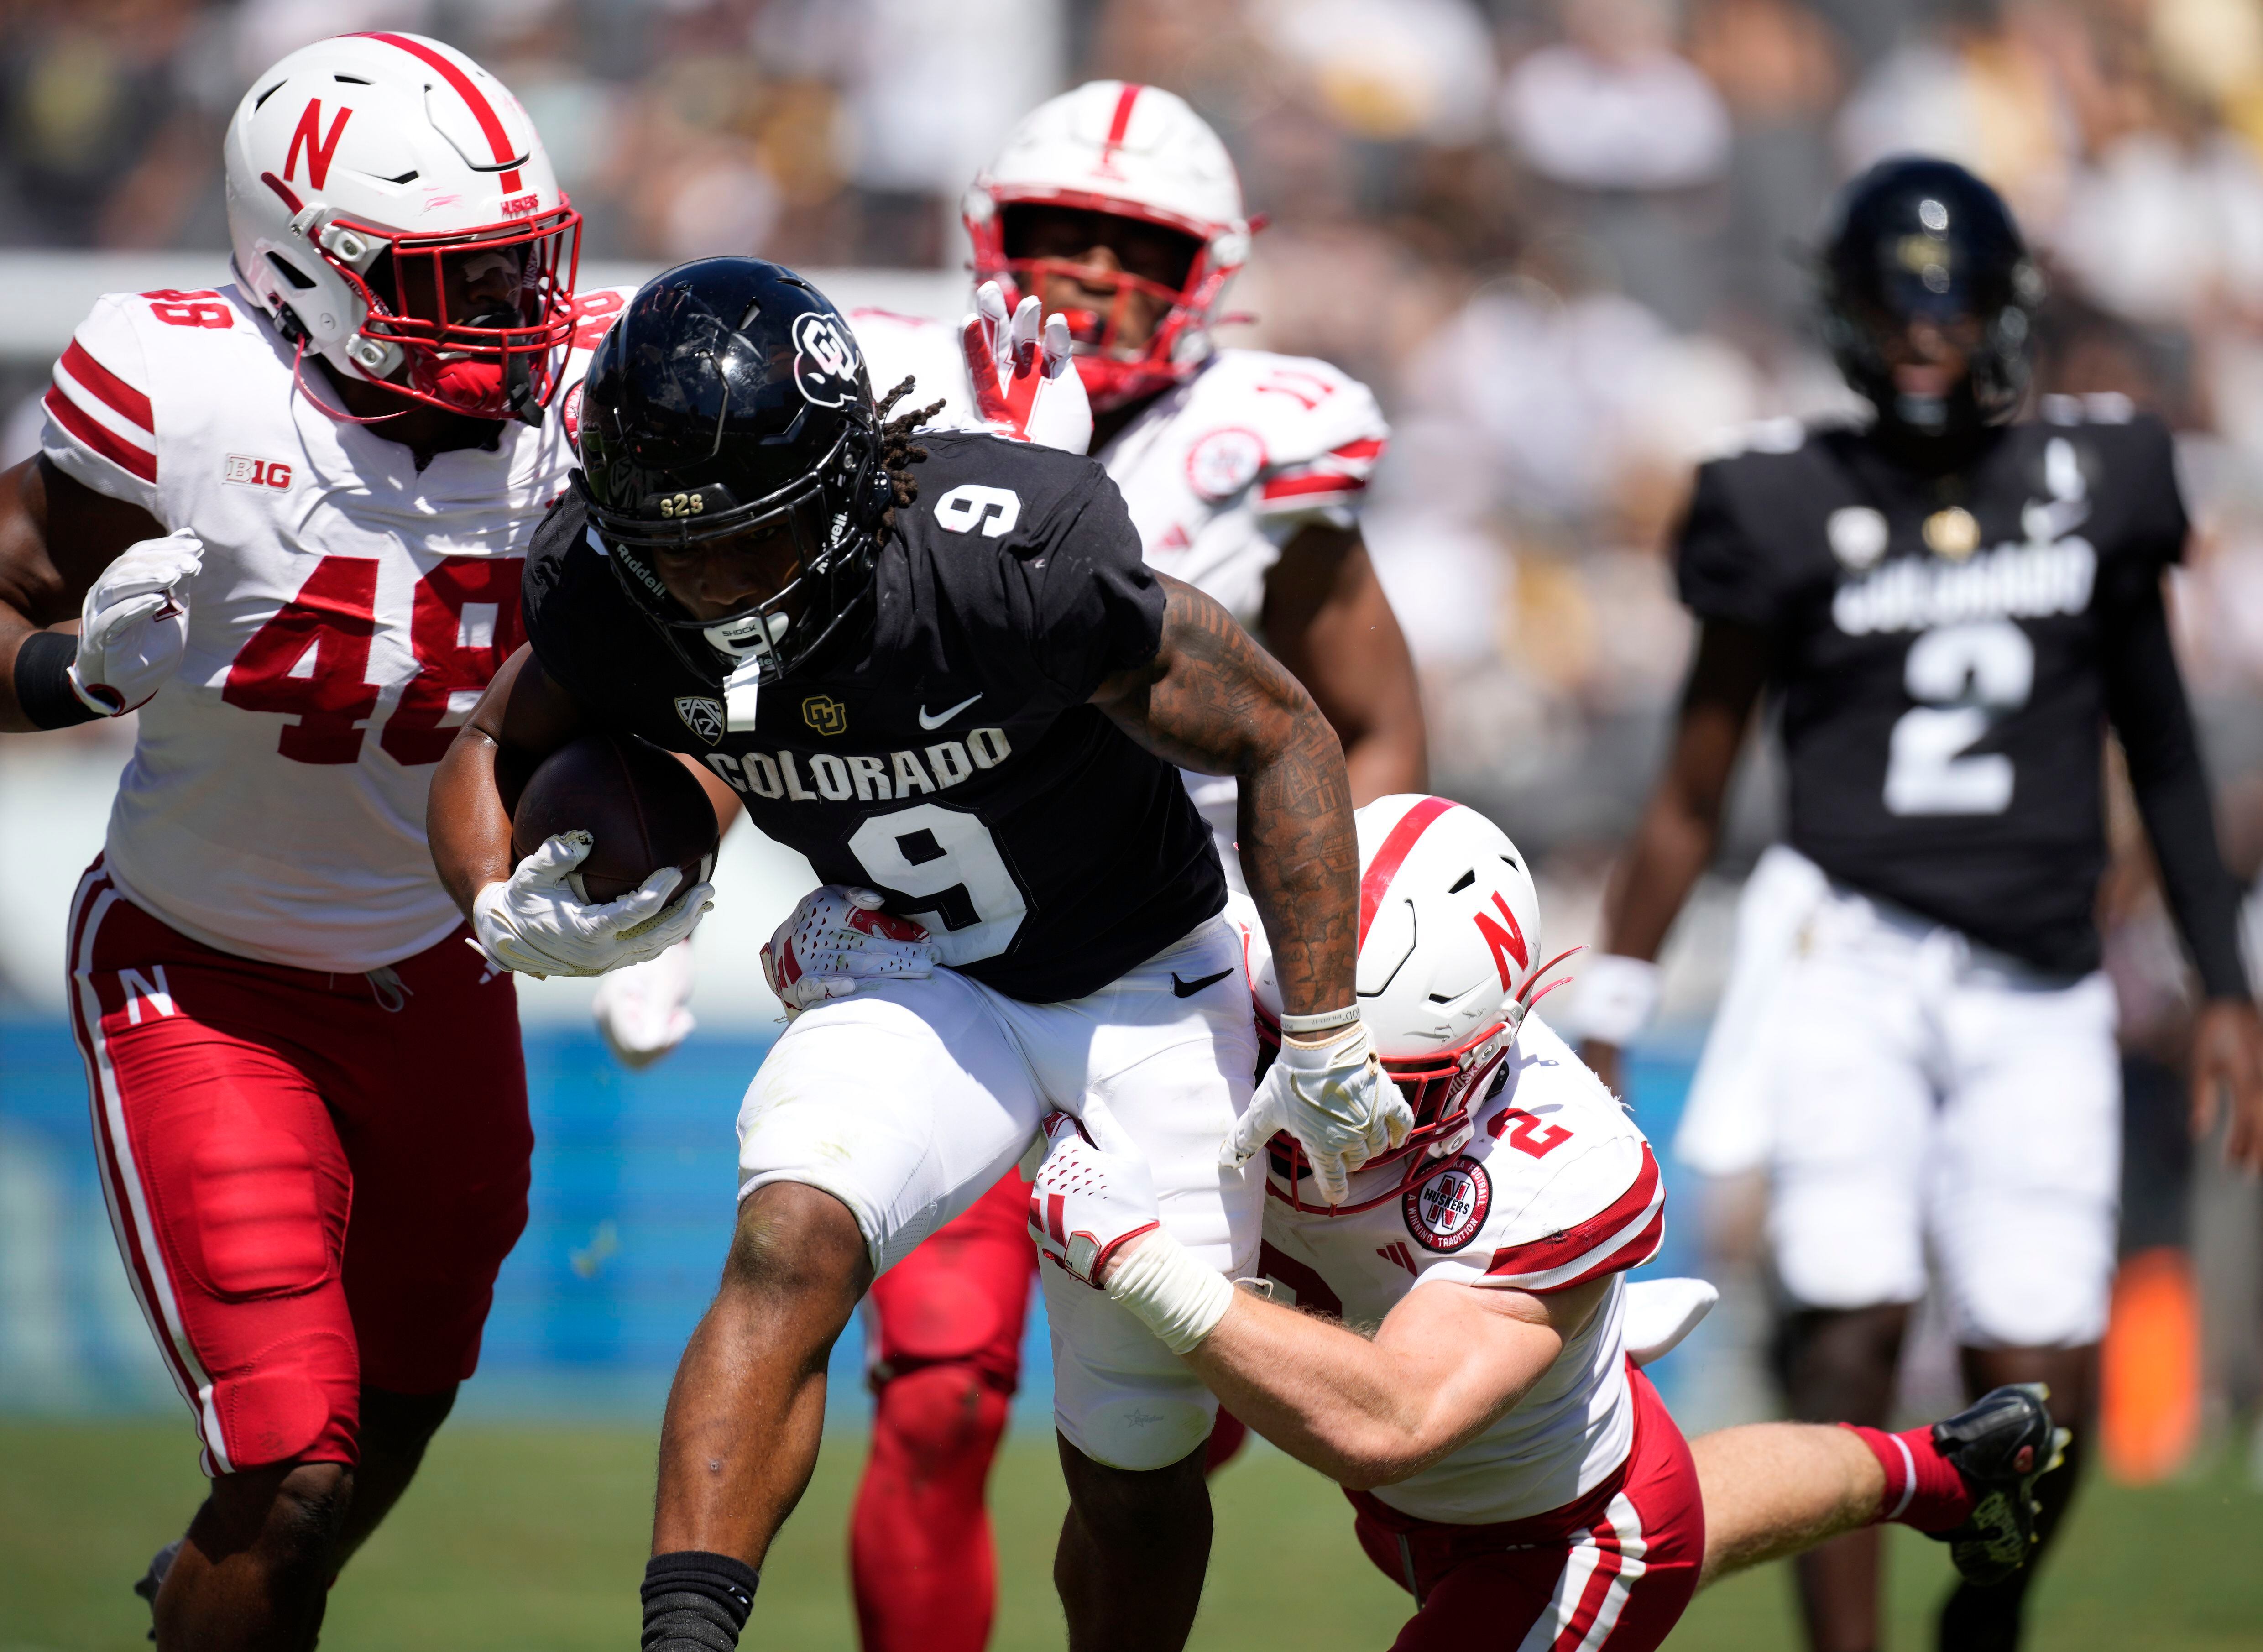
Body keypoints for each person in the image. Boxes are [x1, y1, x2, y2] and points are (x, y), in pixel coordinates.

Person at [426, 256, 1408, 1652]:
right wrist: (489, 890)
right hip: (913, 964)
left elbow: (1284, 728)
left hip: (1139, 977)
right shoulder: (610, 578)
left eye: (748, 541)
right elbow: (490, 743)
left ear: (842, 483)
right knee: (788, 1234)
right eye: (673, 546)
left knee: (1136, 1450)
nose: (706, 584)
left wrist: (1320, 1028)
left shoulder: (999, 552)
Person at [0, 33, 640, 1652]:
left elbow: (686, 674)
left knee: (407, 1402)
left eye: (517, 270)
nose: (511, 319)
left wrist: (653, 868)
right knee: (292, 1459)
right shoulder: (183, 391)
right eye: (449, 280)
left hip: (437, 970)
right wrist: (62, 670)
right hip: (203, 970)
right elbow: (10, 587)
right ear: (300, 271)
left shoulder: (591, 402)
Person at [1573, 157, 2263, 1652]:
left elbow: (2164, 745)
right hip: (1851, 950)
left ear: (2008, 313)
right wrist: (1612, 1002)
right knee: (1850, 1315)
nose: (1923, 337)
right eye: (1895, 308)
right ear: (1846, 315)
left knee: (2047, 1359)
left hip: (2042, 964)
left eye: (1949, 309)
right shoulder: (1782, 495)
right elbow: (1695, 782)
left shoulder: (2100, 477)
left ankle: (1985, 1619)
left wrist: (2223, 981)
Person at [1029, 791, 2068, 1652]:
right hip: (1488, 1472)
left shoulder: (1564, 1165)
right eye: (1295, 1044)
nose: (1317, 1104)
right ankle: (1943, 1469)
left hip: (1553, 1540)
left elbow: (1390, 1422)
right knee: (1687, 1496)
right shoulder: (1219, 957)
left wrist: (1145, 1259)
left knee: (1659, 1518)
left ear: (1489, 1047)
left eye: (1380, 1081)